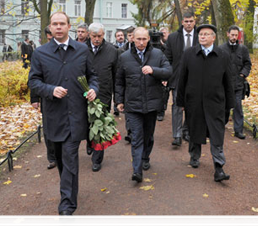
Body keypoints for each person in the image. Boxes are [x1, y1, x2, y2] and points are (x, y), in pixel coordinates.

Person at [28, 11, 99, 223]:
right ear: (50, 28)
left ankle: (67, 205)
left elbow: (93, 75)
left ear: (69, 26)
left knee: (70, 158)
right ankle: (67, 188)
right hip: (54, 116)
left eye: (62, 24)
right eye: (54, 24)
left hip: (76, 115)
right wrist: (50, 90)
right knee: (60, 159)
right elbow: (33, 82)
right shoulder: (40, 53)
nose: (58, 27)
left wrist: (94, 88)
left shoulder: (82, 50)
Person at [176, 24, 235, 182]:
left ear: (213, 37)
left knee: (217, 134)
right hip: (194, 102)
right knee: (195, 130)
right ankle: (194, 156)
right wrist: (180, 101)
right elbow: (182, 79)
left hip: (216, 103)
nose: (202, 37)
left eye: (206, 34)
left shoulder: (222, 55)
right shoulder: (189, 54)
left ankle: (219, 167)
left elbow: (228, 81)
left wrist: (230, 104)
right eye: (201, 34)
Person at [115, 27, 172, 183]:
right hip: (133, 105)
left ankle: (146, 156)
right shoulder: (124, 57)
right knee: (136, 136)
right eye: (138, 39)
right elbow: (119, 81)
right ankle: (137, 169)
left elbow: (168, 71)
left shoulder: (157, 54)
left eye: (144, 39)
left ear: (148, 39)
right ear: (132, 39)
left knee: (148, 135)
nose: (141, 42)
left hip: (152, 103)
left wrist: (154, 70)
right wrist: (119, 101)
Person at [85, 22, 119, 172]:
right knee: (86, 123)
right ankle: (89, 142)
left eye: (99, 36)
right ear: (89, 35)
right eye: (94, 36)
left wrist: (117, 98)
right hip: (84, 94)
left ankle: (97, 159)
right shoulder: (81, 49)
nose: (97, 39)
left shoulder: (112, 51)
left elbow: (117, 76)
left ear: (103, 35)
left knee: (99, 126)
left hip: (104, 95)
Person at [164, 12, 198, 147]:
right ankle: (176, 135)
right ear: (182, 22)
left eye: (191, 21)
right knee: (177, 106)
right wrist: (167, 76)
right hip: (178, 78)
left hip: (195, 77)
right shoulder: (173, 38)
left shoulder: (200, 36)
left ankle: (187, 130)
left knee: (192, 106)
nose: (188, 24)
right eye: (186, 21)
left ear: (194, 22)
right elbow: (167, 59)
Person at [31, 25, 56, 170]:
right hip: (47, 98)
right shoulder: (41, 53)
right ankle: (52, 157)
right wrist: (34, 98)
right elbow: (34, 78)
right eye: (49, 37)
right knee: (48, 129)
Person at [220, 25, 252, 139]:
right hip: (224, 84)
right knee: (224, 107)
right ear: (228, 34)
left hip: (238, 84)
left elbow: (247, 64)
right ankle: (220, 127)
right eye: (232, 35)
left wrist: (243, 74)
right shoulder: (221, 49)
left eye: (236, 35)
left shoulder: (243, 49)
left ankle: (238, 130)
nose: (234, 37)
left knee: (238, 107)